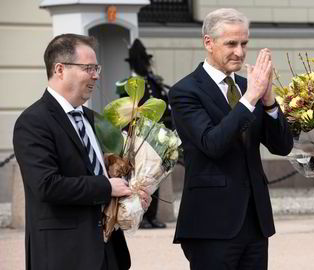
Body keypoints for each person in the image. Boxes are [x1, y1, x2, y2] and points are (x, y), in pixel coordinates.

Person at [168, 8, 293, 270]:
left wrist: (269, 101)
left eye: (244, 43)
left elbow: (282, 146)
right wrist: (250, 99)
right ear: (208, 43)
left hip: (255, 220)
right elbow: (212, 143)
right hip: (210, 223)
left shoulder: (253, 87)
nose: (239, 51)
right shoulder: (185, 91)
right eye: (231, 44)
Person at [13, 33, 150, 270]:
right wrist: (107, 187)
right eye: (88, 68)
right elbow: (47, 185)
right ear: (59, 69)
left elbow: (109, 173)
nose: (96, 76)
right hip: (63, 254)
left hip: (109, 252)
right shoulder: (33, 122)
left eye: (97, 68)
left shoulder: (93, 119)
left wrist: (133, 192)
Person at [116, 38, 171, 229]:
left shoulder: (153, 81)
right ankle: (141, 215)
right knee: (138, 177)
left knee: (155, 175)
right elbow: (125, 112)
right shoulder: (127, 84)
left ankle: (152, 215)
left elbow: (164, 106)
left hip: (156, 137)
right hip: (138, 136)